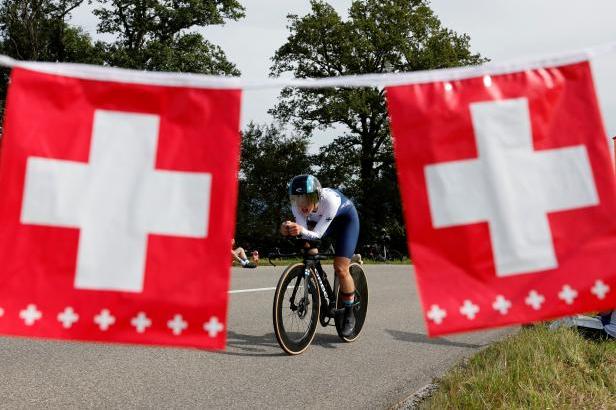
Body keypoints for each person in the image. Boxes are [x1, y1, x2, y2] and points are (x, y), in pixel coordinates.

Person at [280, 174, 360, 338]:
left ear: (316, 196)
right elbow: (303, 234)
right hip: (323, 222)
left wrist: (300, 230)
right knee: (306, 247)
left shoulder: (329, 201)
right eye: (297, 199)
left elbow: (317, 235)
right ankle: (319, 278)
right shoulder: (297, 206)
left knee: (340, 268)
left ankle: (350, 313)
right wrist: (287, 229)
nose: (302, 205)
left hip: (345, 222)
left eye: (306, 199)